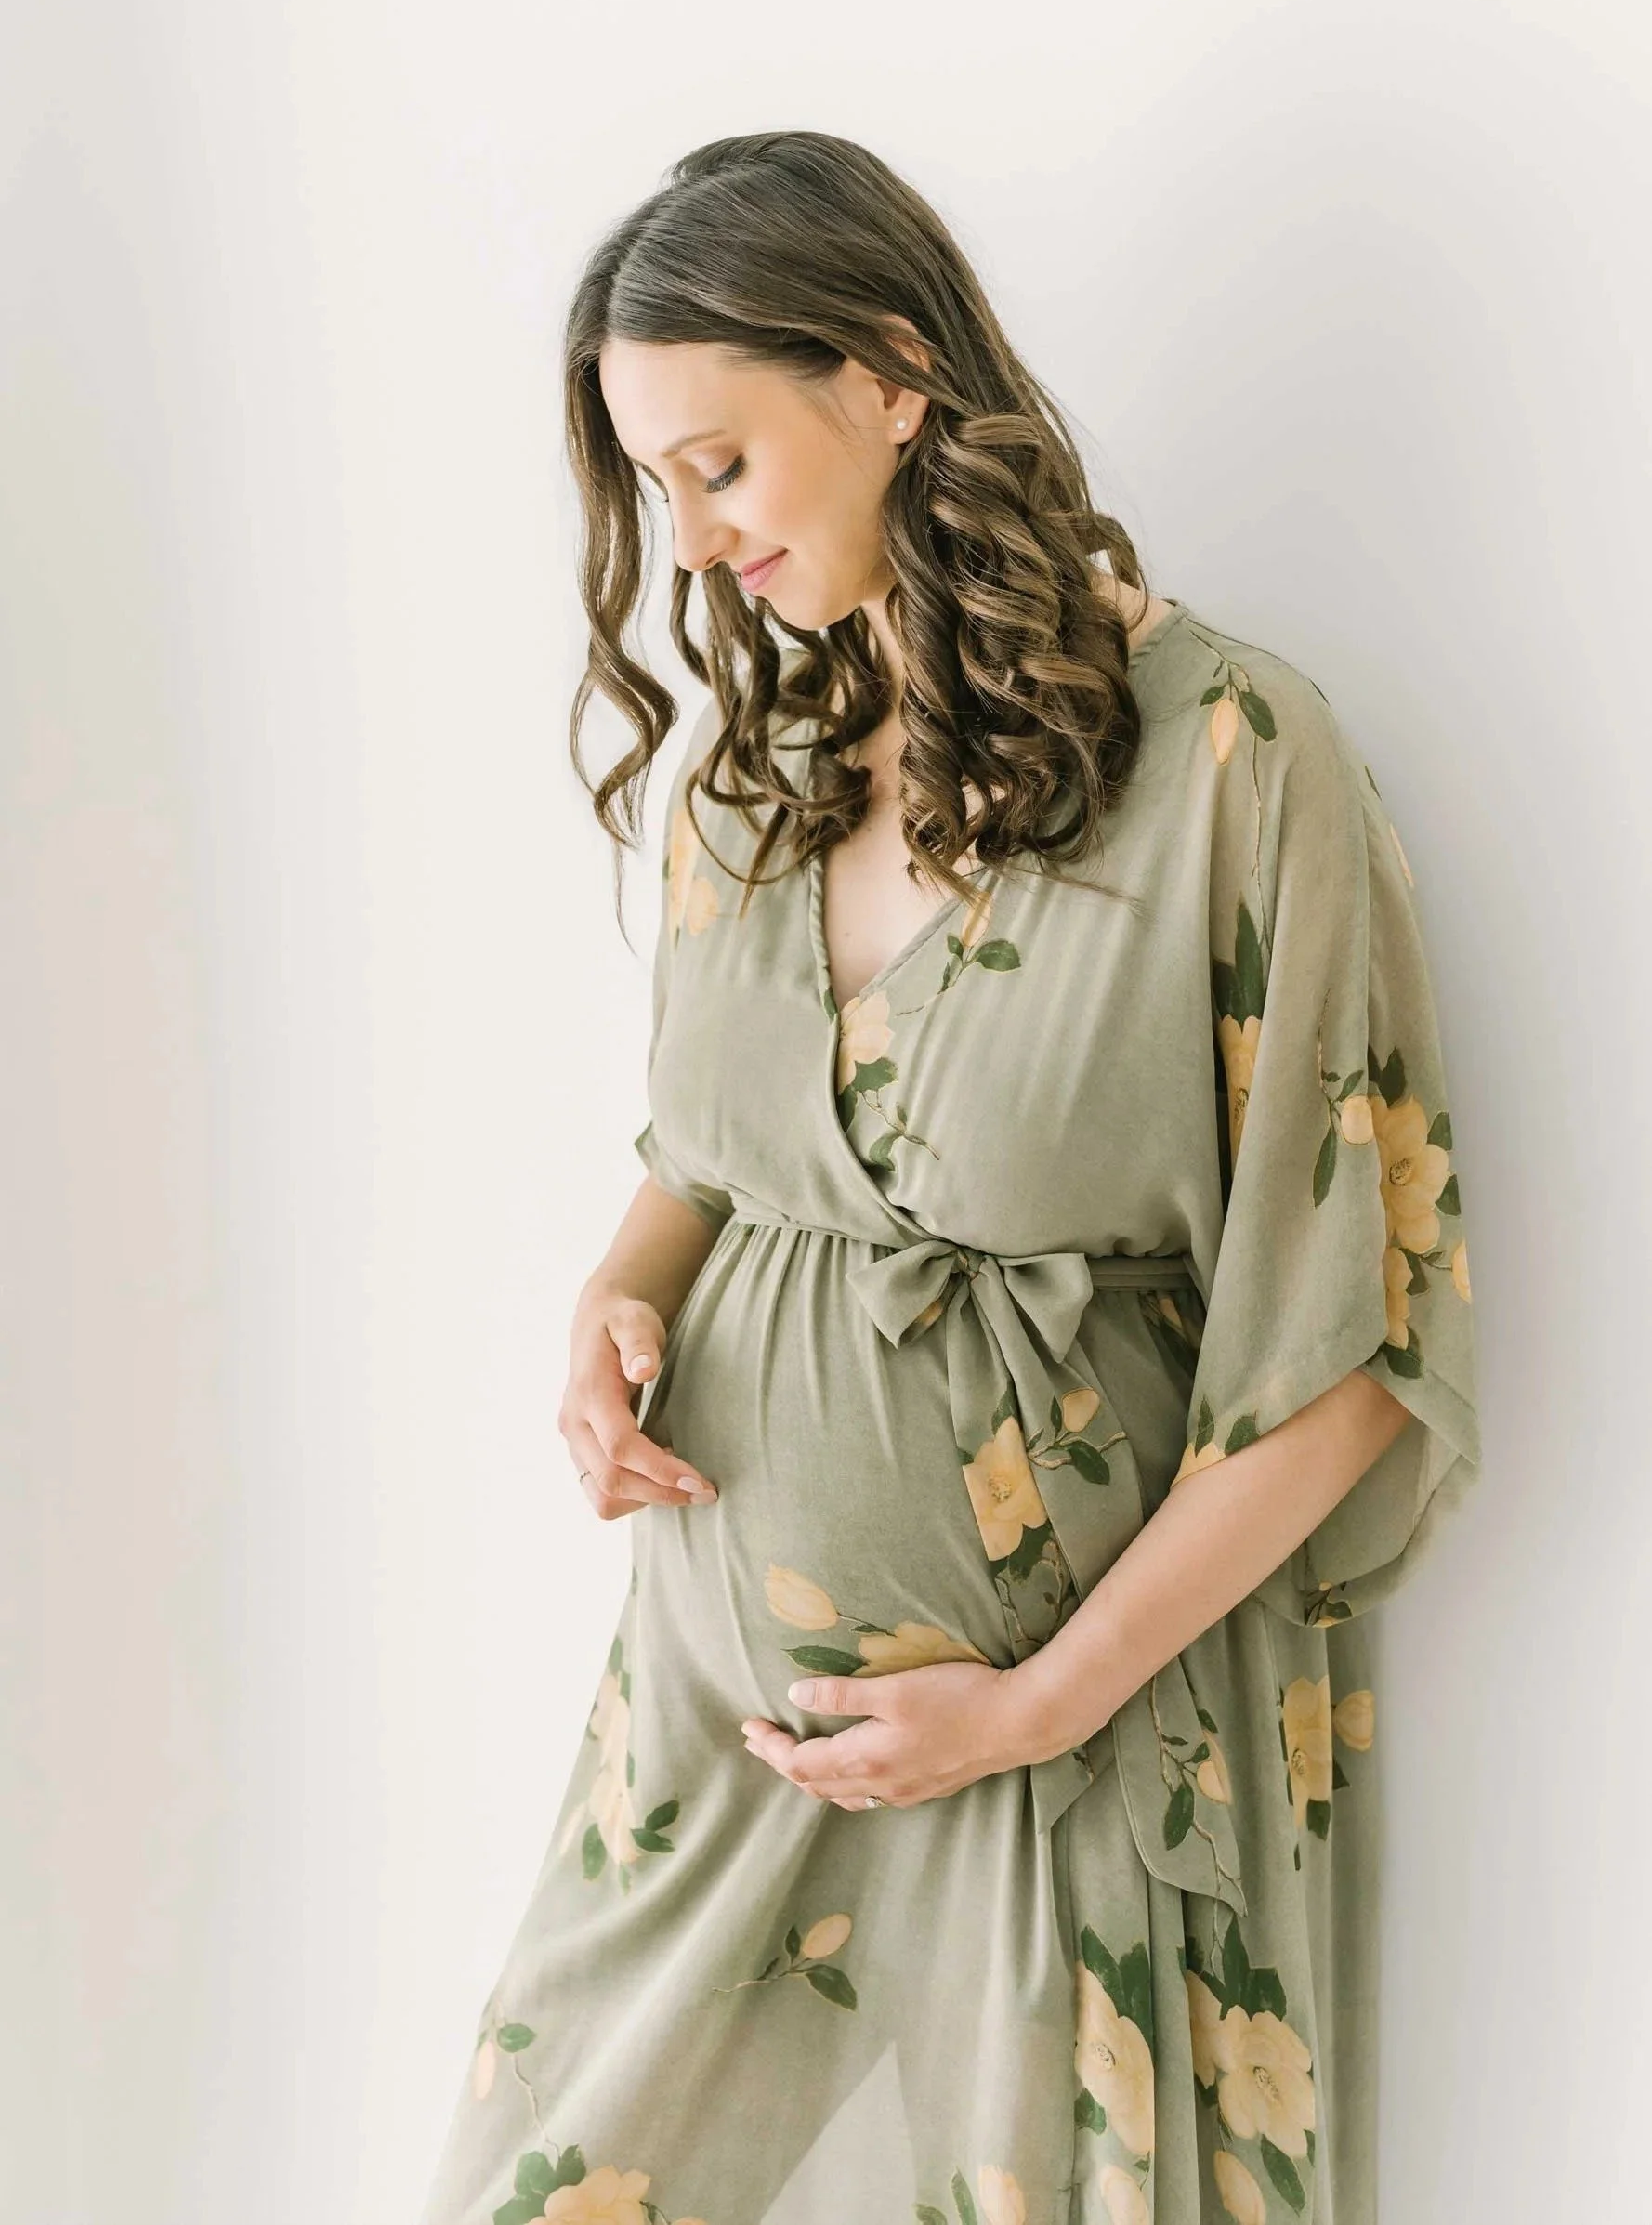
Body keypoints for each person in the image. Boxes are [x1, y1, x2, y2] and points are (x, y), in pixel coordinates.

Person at [417, 131, 1481, 2225]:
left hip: (1067, 1738)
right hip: (718, 1718)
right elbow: (710, 1163)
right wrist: (610, 1302)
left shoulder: (1236, 761)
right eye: (655, 489)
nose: (695, 540)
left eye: (719, 464)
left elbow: (1347, 1341)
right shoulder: (765, 774)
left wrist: (1023, 1707)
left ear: (891, 376)